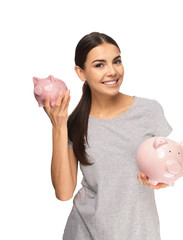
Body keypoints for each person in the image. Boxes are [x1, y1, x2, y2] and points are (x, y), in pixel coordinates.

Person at [43, 32, 172, 240]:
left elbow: (170, 162)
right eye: (99, 65)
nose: (112, 71)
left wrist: (164, 178)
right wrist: (58, 126)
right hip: (85, 232)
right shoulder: (75, 124)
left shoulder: (149, 111)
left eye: (117, 61)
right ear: (81, 72)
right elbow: (64, 192)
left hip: (139, 232)